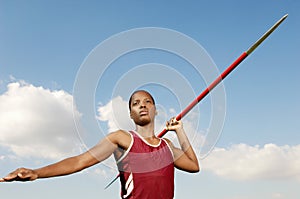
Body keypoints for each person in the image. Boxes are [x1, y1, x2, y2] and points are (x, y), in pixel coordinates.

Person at [0, 90, 199, 199]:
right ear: (131, 113)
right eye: (136, 103)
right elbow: (79, 161)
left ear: (155, 110)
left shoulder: (167, 145)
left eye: (148, 102)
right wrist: (36, 173)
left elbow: (194, 166)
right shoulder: (121, 139)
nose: (143, 105)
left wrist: (180, 130)